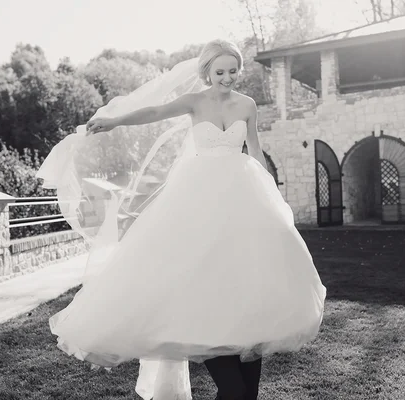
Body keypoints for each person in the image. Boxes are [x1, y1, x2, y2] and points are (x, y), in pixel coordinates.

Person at [38, 39, 326, 400]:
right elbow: (153, 112)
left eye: (233, 70)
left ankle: (246, 331)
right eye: (219, 71)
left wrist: (273, 198)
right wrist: (114, 122)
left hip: (244, 194)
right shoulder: (194, 102)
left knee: (247, 274)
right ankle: (207, 330)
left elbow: (254, 150)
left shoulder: (248, 105)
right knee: (200, 269)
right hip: (200, 196)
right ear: (207, 72)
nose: (227, 77)